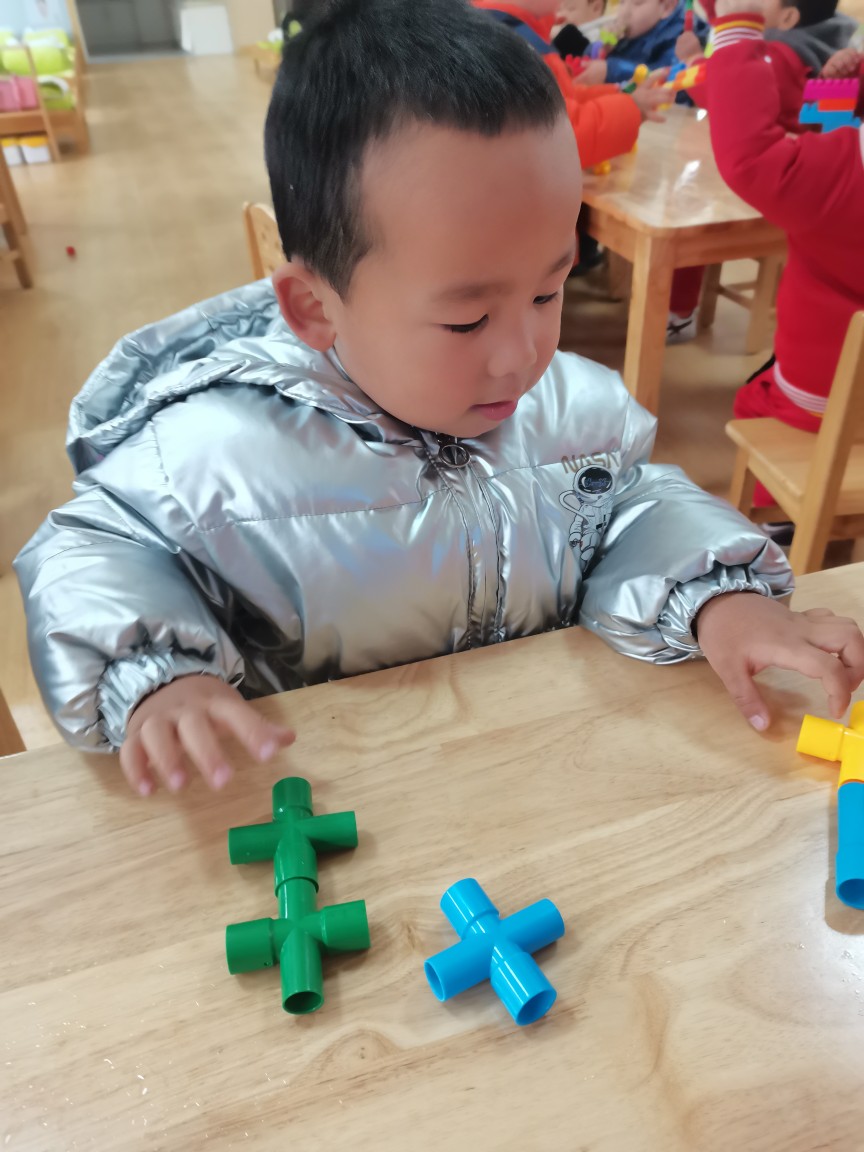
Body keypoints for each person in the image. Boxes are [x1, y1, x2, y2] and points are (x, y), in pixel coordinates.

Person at [15, 0, 864, 797]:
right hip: (330, 813)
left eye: (548, 292)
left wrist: (720, 599)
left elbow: (633, 509)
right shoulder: (212, 452)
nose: (524, 354)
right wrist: (157, 677)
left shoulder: (568, 407)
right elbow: (91, 547)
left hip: (530, 790)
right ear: (314, 308)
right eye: (467, 320)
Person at [703, 0, 864, 508]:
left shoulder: (846, 176)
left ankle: (775, 516)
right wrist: (845, 87)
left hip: (830, 396)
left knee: (755, 398)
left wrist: (734, 29)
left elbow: (756, 158)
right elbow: (821, 131)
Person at [472, 0, 668, 170]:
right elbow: (559, 138)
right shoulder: (507, 45)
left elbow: (564, 97)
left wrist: (620, 92)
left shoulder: (500, 31)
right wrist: (632, 108)